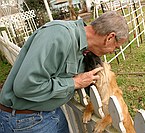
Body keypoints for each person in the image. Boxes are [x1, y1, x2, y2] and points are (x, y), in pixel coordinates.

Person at [0, 11, 129, 133]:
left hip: (51, 112)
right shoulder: (58, 35)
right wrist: (75, 82)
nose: (113, 51)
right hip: (26, 120)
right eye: (116, 47)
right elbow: (25, 86)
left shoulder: (84, 48)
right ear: (110, 38)